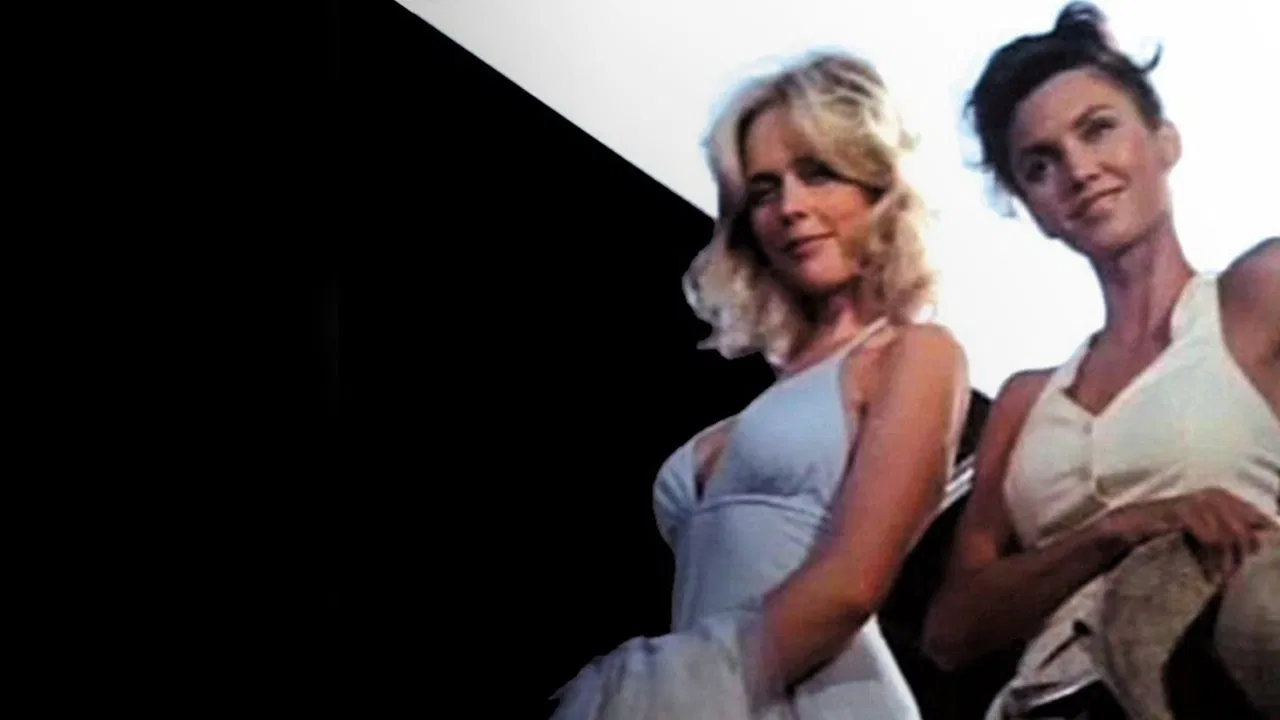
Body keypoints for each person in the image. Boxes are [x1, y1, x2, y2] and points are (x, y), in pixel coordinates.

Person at [550, 51, 970, 720]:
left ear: (878, 188)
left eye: (818, 174)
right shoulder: (775, 392)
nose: (790, 208)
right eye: (765, 190)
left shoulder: (915, 355)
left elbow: (851, 585)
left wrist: (665, 690)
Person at [921, 3, 1280, 718]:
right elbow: (951, 633)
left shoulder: (1254, 298)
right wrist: (1115, 530)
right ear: (1033, 209)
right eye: (1040, 164)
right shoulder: (1027, 401)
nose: (1079, 170)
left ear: (1164, 140)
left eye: (1098, 129)